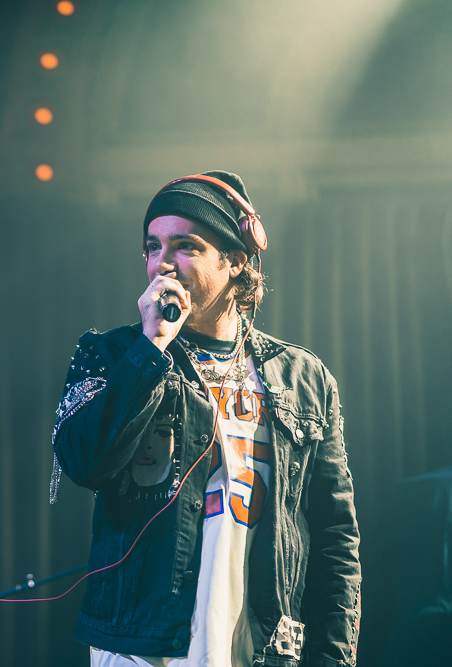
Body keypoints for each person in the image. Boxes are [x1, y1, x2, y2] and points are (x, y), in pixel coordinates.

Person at [50, 171, 360, 666]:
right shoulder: (113, 354)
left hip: (260, 646)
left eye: (185, 246)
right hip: (141, 646)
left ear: (237, 261)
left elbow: (333, 537)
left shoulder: (303, 377)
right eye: (153, 247)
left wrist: (336, 657)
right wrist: (151, 348)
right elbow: (86, 463)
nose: (163, 264)